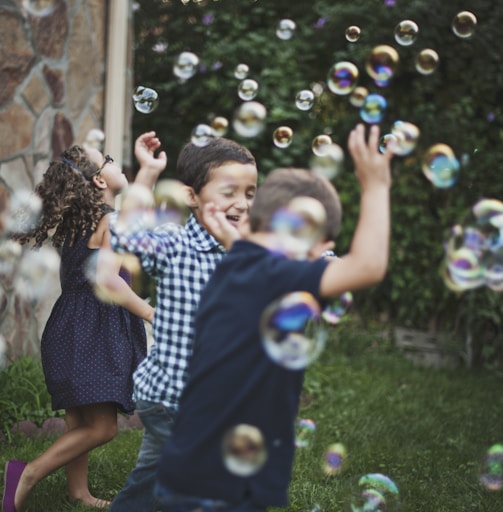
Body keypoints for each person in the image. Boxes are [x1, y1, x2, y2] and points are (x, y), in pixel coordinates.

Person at [153, 123, 393, 512]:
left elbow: (248, 250)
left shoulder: (237, 264)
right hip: (221, 486)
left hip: (191, 468)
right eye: (323, 244)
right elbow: (368, 266)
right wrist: (376, 185)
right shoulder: (273, 273)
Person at [2, 132, 167, 512]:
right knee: (103, 427)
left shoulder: (79, 225)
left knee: (80, 419)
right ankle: (25, 473)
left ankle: (78, 493)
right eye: (107, 158)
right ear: (98, 180)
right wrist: (150, 312)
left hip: (68, 325)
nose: (114, 161)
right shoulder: (108, 221)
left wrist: (150, 172)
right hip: (94, 328)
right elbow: (108, 281)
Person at [108, 137, 258, 512]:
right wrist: (148, 173)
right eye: (230, 192)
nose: (242, 202)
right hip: (170, 399)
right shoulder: (175, 244)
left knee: (149, 481)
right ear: (192, 196)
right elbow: (124, 235)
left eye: (250, 192)